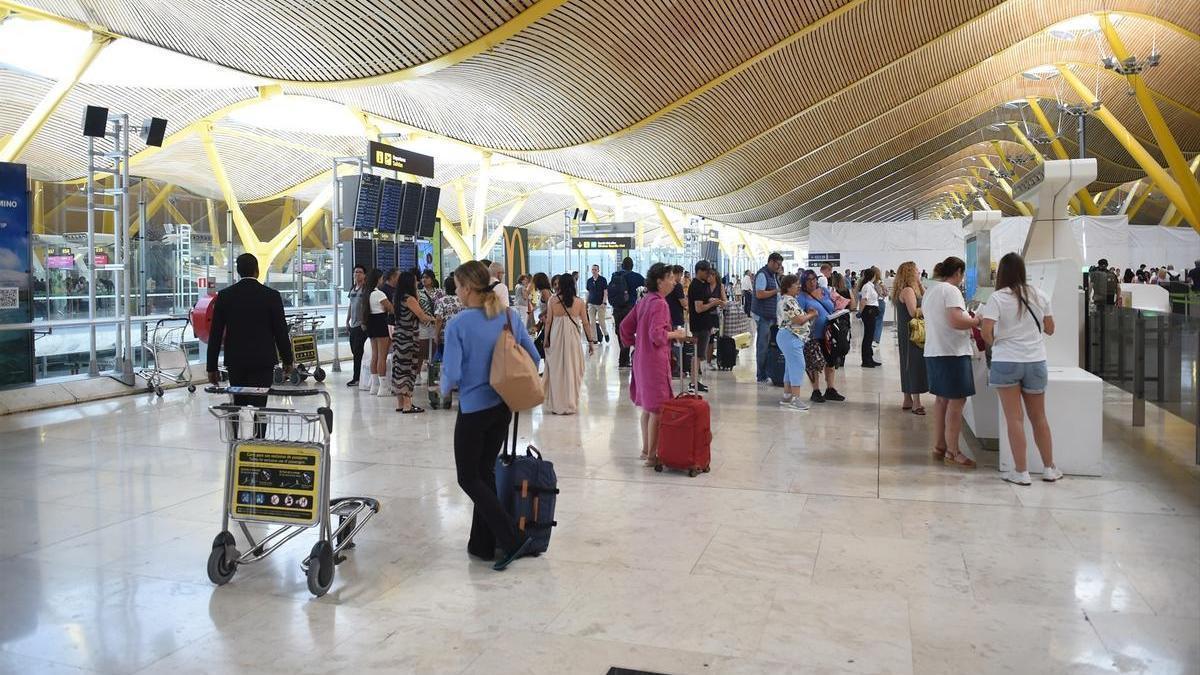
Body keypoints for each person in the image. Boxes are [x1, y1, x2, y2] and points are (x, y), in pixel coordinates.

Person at [440, 260, 540, 570]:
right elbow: (534, 356)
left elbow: (453, 373)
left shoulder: (458, 324)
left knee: (467, 477)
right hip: (502, 407)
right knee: (484, 474)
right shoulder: (508, 315)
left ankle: (512, 537)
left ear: (467, 288)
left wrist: (442, 387)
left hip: (473, 410)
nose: (456, 293)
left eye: (457, 287)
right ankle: (482, 544)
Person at [979, 252, 1062, 485]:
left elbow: (986, 332)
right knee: (1039, 417)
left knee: (1014, 419)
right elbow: (1050, 328)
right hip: (1036, 361)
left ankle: (1021, 471)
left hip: (1006, 361)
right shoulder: (1040, 294)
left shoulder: (997, 298)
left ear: (1002, 273)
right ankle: (1049, 468)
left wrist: (1001, 343)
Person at [205, 254, 293, 423]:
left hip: (236, 362)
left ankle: (240, 443)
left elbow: (215, 333)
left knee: (239, 405)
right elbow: (281, 332)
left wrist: (211, 367)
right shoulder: (271, 296)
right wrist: (288, 361)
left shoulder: (225, 296)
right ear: (257, 271)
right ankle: (259, 442)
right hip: (263, 362)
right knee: (260, 406)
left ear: (238, 272)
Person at [619, 263, 688, 465]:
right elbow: (657, 336)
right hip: (655, 362)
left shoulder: (644, 300)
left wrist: (637, 344)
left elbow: (625, 327)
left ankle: (645, 449)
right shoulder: (659, 304)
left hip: (641, 359)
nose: (674, 281)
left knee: (648, 408)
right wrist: (676, 334)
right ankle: (652, 456)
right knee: (657, 408)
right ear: (660, 281)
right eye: (670, 278)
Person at [923, 256, 980, 469]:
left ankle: (939, 446)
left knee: (942, 401)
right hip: (952, 353)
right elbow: (956, 320)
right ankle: (953, 451)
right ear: (957, 272)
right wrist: (976, 321)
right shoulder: (951, 290)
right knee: (957, 402)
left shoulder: (932, 291)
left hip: (935, 351)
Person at [544, 273, 595, 414]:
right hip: (573, 339)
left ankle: (557, 404)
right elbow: (585, 323)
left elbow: (548, 322)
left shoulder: (552, 301)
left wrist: (546, 339)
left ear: (560, 285)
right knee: (573, 368)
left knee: (557, 369)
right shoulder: (579, 302)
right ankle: (570, 403)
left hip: (555, 337)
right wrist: (591, 342)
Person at [797, 270, 843, 402]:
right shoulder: (802, 297)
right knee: (814, 363)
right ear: (804, 282)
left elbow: (833, 305)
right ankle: (816, 390)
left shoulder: (824, 291)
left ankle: (830, 388)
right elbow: (800, 315)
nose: (812, 282)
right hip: (813, 335)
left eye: (814, 279)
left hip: (829, 332)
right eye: (808, 280)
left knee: (831, 360)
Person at [391, 271, 434, 413]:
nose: (417, 283)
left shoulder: (397, 297)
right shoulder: (410, 299)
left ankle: (400, 403)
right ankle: (408, 404)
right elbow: (421, 316)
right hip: (408, 337)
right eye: (415, 281)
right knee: (408, 369)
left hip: (398, 336)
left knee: (398, 368)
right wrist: (436, 319)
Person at [775, 274, 816, 410]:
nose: (799, 286)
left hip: (787, 336)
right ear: (787, 287)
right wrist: (812, 314)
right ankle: (795, 399)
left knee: (790, 366)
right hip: (791, 336)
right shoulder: (789, 301)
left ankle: (787, 395)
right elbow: (798, 320)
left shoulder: (787, 300)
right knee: (798, 365)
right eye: (796, 284)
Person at [892, 261, 928, 415]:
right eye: (916, 271)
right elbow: (914, 312)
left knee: (907, 363)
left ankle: (908, 399)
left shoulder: (910, 289)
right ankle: (916, 403)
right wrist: (929, 310)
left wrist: (920, 284)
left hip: (907, 331)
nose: (919, 272)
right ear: (910, 273)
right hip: (911, 333)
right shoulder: (907, 290)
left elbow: (926, 296)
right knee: (913, 364)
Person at [688, 260, 722, 392]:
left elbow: (703, 301)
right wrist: (712, 304)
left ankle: (695, 381)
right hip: (700, 325)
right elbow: (699, 308)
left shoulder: (702, 285)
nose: (708, 274)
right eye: (706, 271)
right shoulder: (696, 286)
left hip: (704, 324)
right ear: (700, 271)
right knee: (698, 355)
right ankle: (693, 382)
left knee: (698, 354)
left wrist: (711, 300)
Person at [752, 252, 785, 383]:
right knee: (762, 346)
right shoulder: (762, 274)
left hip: (771, 316)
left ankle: (768, 371)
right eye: (778, 264)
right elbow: (759, 294)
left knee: (769, 346)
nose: (779, 266)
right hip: (763, 316)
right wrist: (775, 291)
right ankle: (761, 375)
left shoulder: (773, 275)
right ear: (771, 261)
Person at [433, 275, 464, 409]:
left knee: (447, 366)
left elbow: (439, 319)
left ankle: (447, 398)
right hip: (463, 338)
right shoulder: (463, 300)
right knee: (462, 365)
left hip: (447, 338)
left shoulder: (441, 301)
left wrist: (436, 334)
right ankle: (463, 397)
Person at [609, 257, 646, 368]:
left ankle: (623, 357)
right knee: (627, 331)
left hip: (616, 308)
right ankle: (624, 358)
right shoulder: (636, 276)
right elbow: (647, 285)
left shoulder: (615, 275)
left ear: (622, 265)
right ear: (632, 265)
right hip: (629, 308)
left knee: (619, 331)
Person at [362, 268, 393, 394]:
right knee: (382, 356)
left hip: (371, 323)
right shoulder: (380, 294)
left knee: (374, 355)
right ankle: (383, 387)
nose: (382, 281)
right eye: (381, 278)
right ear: (377, 279)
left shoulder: (367, 293)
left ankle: (374, 385)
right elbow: (391, 309)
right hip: (380, 322)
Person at [417, 269, 444, 381]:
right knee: (421, 349)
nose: (424, 279)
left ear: (432, 279)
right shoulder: (418, 292)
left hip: (435, 324)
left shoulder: (440, 292)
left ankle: (433, 374)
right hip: (423, 323)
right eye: (423, 277)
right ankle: (417, 374)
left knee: (434, 349)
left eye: (427, 277)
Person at [345, 264, 368, 387]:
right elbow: (351, 305)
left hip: (361, 326)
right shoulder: (353, 289)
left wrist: (364, 321)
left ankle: (357, 378)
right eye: (355, 272)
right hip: (353, 325)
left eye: (359, 272)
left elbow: (366, 307)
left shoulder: (365, 289)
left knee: (359, 352)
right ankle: (358, 376)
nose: (356, 274)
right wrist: (347, 320)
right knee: (354, 351)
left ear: (364, 275)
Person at [858, 267, 881, 368]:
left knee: (870, 336)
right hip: (869, 312)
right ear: (874, 275)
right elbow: (864, 300)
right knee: (868, 336)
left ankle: (870, 358)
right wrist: (860, 312)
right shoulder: (867, 286)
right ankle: (866, 360)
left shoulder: (871, 286)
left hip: (871, 311)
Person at [585, 264, 610, 344]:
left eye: (595, 269)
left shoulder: (603, 280)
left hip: (600, 304)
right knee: (592, 322)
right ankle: (595, 339)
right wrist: (586, 303)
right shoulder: (589, 281)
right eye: (592, 269)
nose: (594, 271)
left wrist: (604, 302)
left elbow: (605, 292)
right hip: (591, 304)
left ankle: (605, 333)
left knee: (601, 321)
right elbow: (588, 293)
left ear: (598, 271)